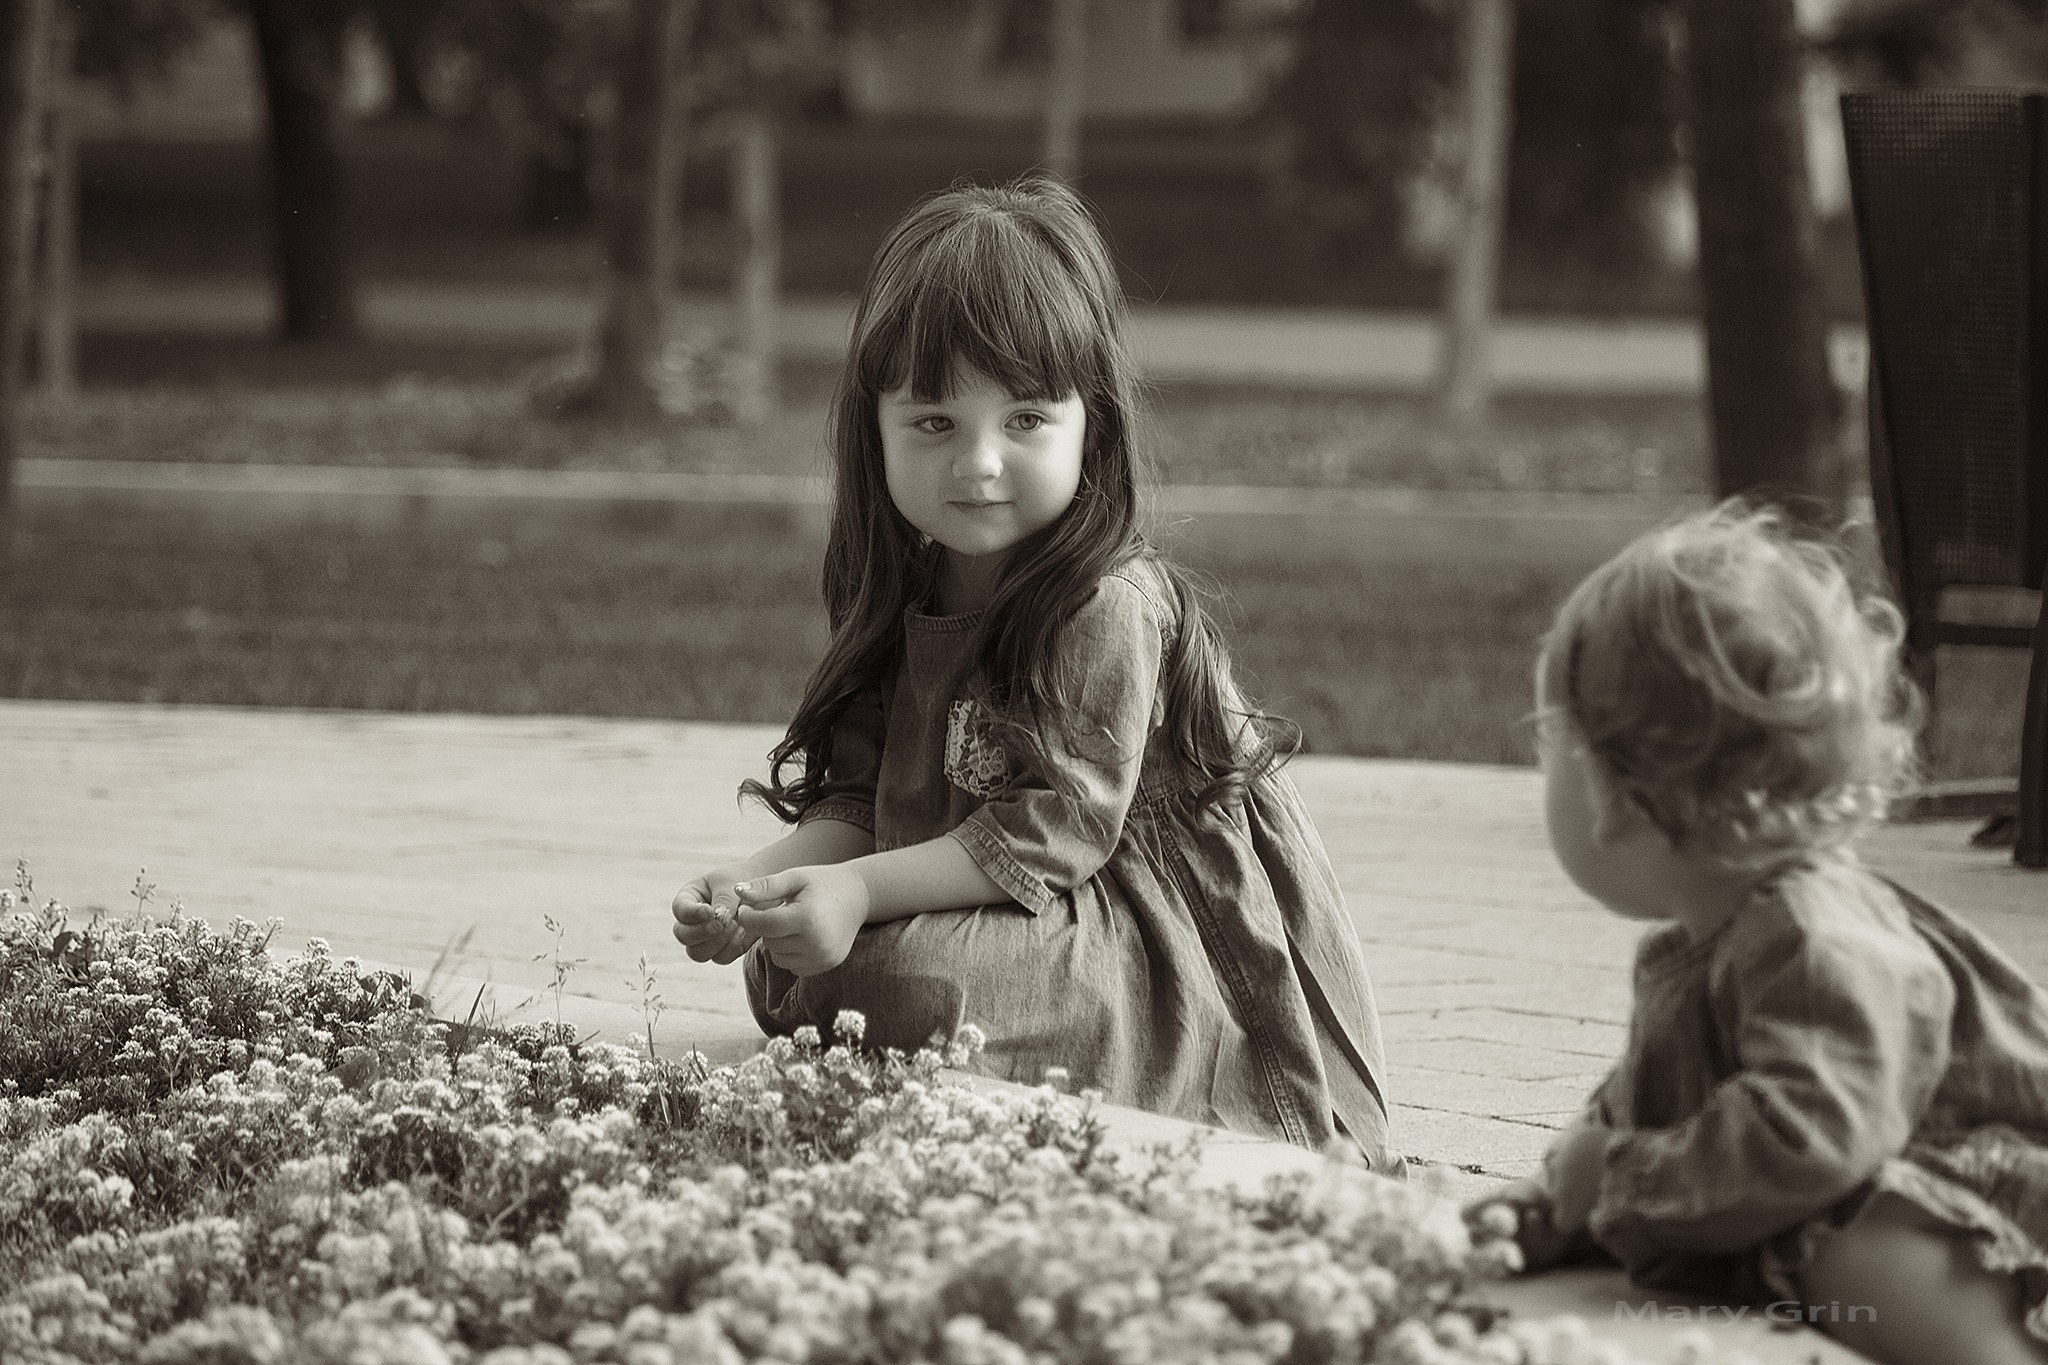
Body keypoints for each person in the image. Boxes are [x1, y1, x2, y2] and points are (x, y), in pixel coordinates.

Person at [669, 176, 1397, 1169]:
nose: (978, 465)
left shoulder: (1102, 600)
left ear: (1087, 421)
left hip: (1134, 923)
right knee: (790, 970)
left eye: (1023, 420)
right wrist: (762, 886)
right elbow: (856, 790)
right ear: (871, 428)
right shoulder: (903, 579)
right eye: (934, 423)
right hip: (976, 895)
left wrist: (853, 896)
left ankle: (1171, 1059)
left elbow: (1050, 834)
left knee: (881, 986)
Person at [1470, 501, 2048, 1364]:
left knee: (1859, 1246)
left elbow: (1810, 1136)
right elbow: (1667, 1104)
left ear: (1618, 796)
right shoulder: (1709, 939)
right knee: (1796, 1240)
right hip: (1859, 1186)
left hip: (1995, 1213)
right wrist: (1564, 1198)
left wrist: (1621, 1180)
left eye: (1552, 744)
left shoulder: (1814, 935)